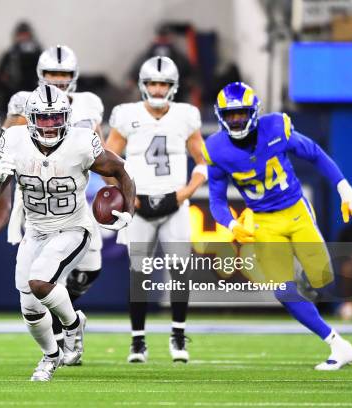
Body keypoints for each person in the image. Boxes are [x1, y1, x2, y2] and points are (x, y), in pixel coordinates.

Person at [204, 81, 352, 370]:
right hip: (263, 222)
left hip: (295, 212)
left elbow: (314, 152)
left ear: (253, 112)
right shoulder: (216, 149)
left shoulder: (276, 127)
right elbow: (216, 200)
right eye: (231, 115)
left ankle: (306, 275)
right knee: (282, 290)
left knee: (324, 282)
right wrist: (230, 223)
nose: (237, 120)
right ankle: (337, 344)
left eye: (241, 113)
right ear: (220, 116)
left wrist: (345, 189)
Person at [0, 84, 135, 381]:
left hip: (73, 227)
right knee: (29, 308)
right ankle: (50, 356)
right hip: (36, 230)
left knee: (39, 282)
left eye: (56, 118)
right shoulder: (13, 140)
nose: (50, 126)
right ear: (30, 118)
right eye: (44, 118)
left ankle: (72, 324)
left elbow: (121, 171)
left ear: (67, 117)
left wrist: (128, 209)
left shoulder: (81, 141)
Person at [3, 45, 105, 359]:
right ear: (40, 75)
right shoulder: (24, 100)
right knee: (41, 276)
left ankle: (66, 314)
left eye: (63, 74)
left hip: (71, 194)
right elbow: (8, 141)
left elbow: (98, 145)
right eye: (51, 74)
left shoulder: (88, 103)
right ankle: (63, 334)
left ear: (73, 76)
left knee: (89, 268)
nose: (57, 79)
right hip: (35, 194)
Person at [106, 56, 206, 364]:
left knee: (179, 271)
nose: (158, 88)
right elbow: (106, 161)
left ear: (174, 87)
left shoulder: (186, 116)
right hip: (138, 203)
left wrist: (185, 193)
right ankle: (138, 341)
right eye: (153, 83)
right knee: (139, 275)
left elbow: (203, 163)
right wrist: (128, 194)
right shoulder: (126, 116)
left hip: (174, 203)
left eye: (163, 83)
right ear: (143, 85)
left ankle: (178, 334)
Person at [128, 24, 195, 103]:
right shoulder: (148, 55)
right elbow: (137, 69)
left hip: (174, 95)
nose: (162, 40)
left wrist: (189, 82)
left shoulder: (177, 56)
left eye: (165, 36)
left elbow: (188, 71)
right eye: (161, 37)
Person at [0, 21, 42, 113]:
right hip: (12, 101)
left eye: (25, 35)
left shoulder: (40, 55)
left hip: (35, 102)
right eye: (21, 35)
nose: (23, 38)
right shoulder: (10, 56)